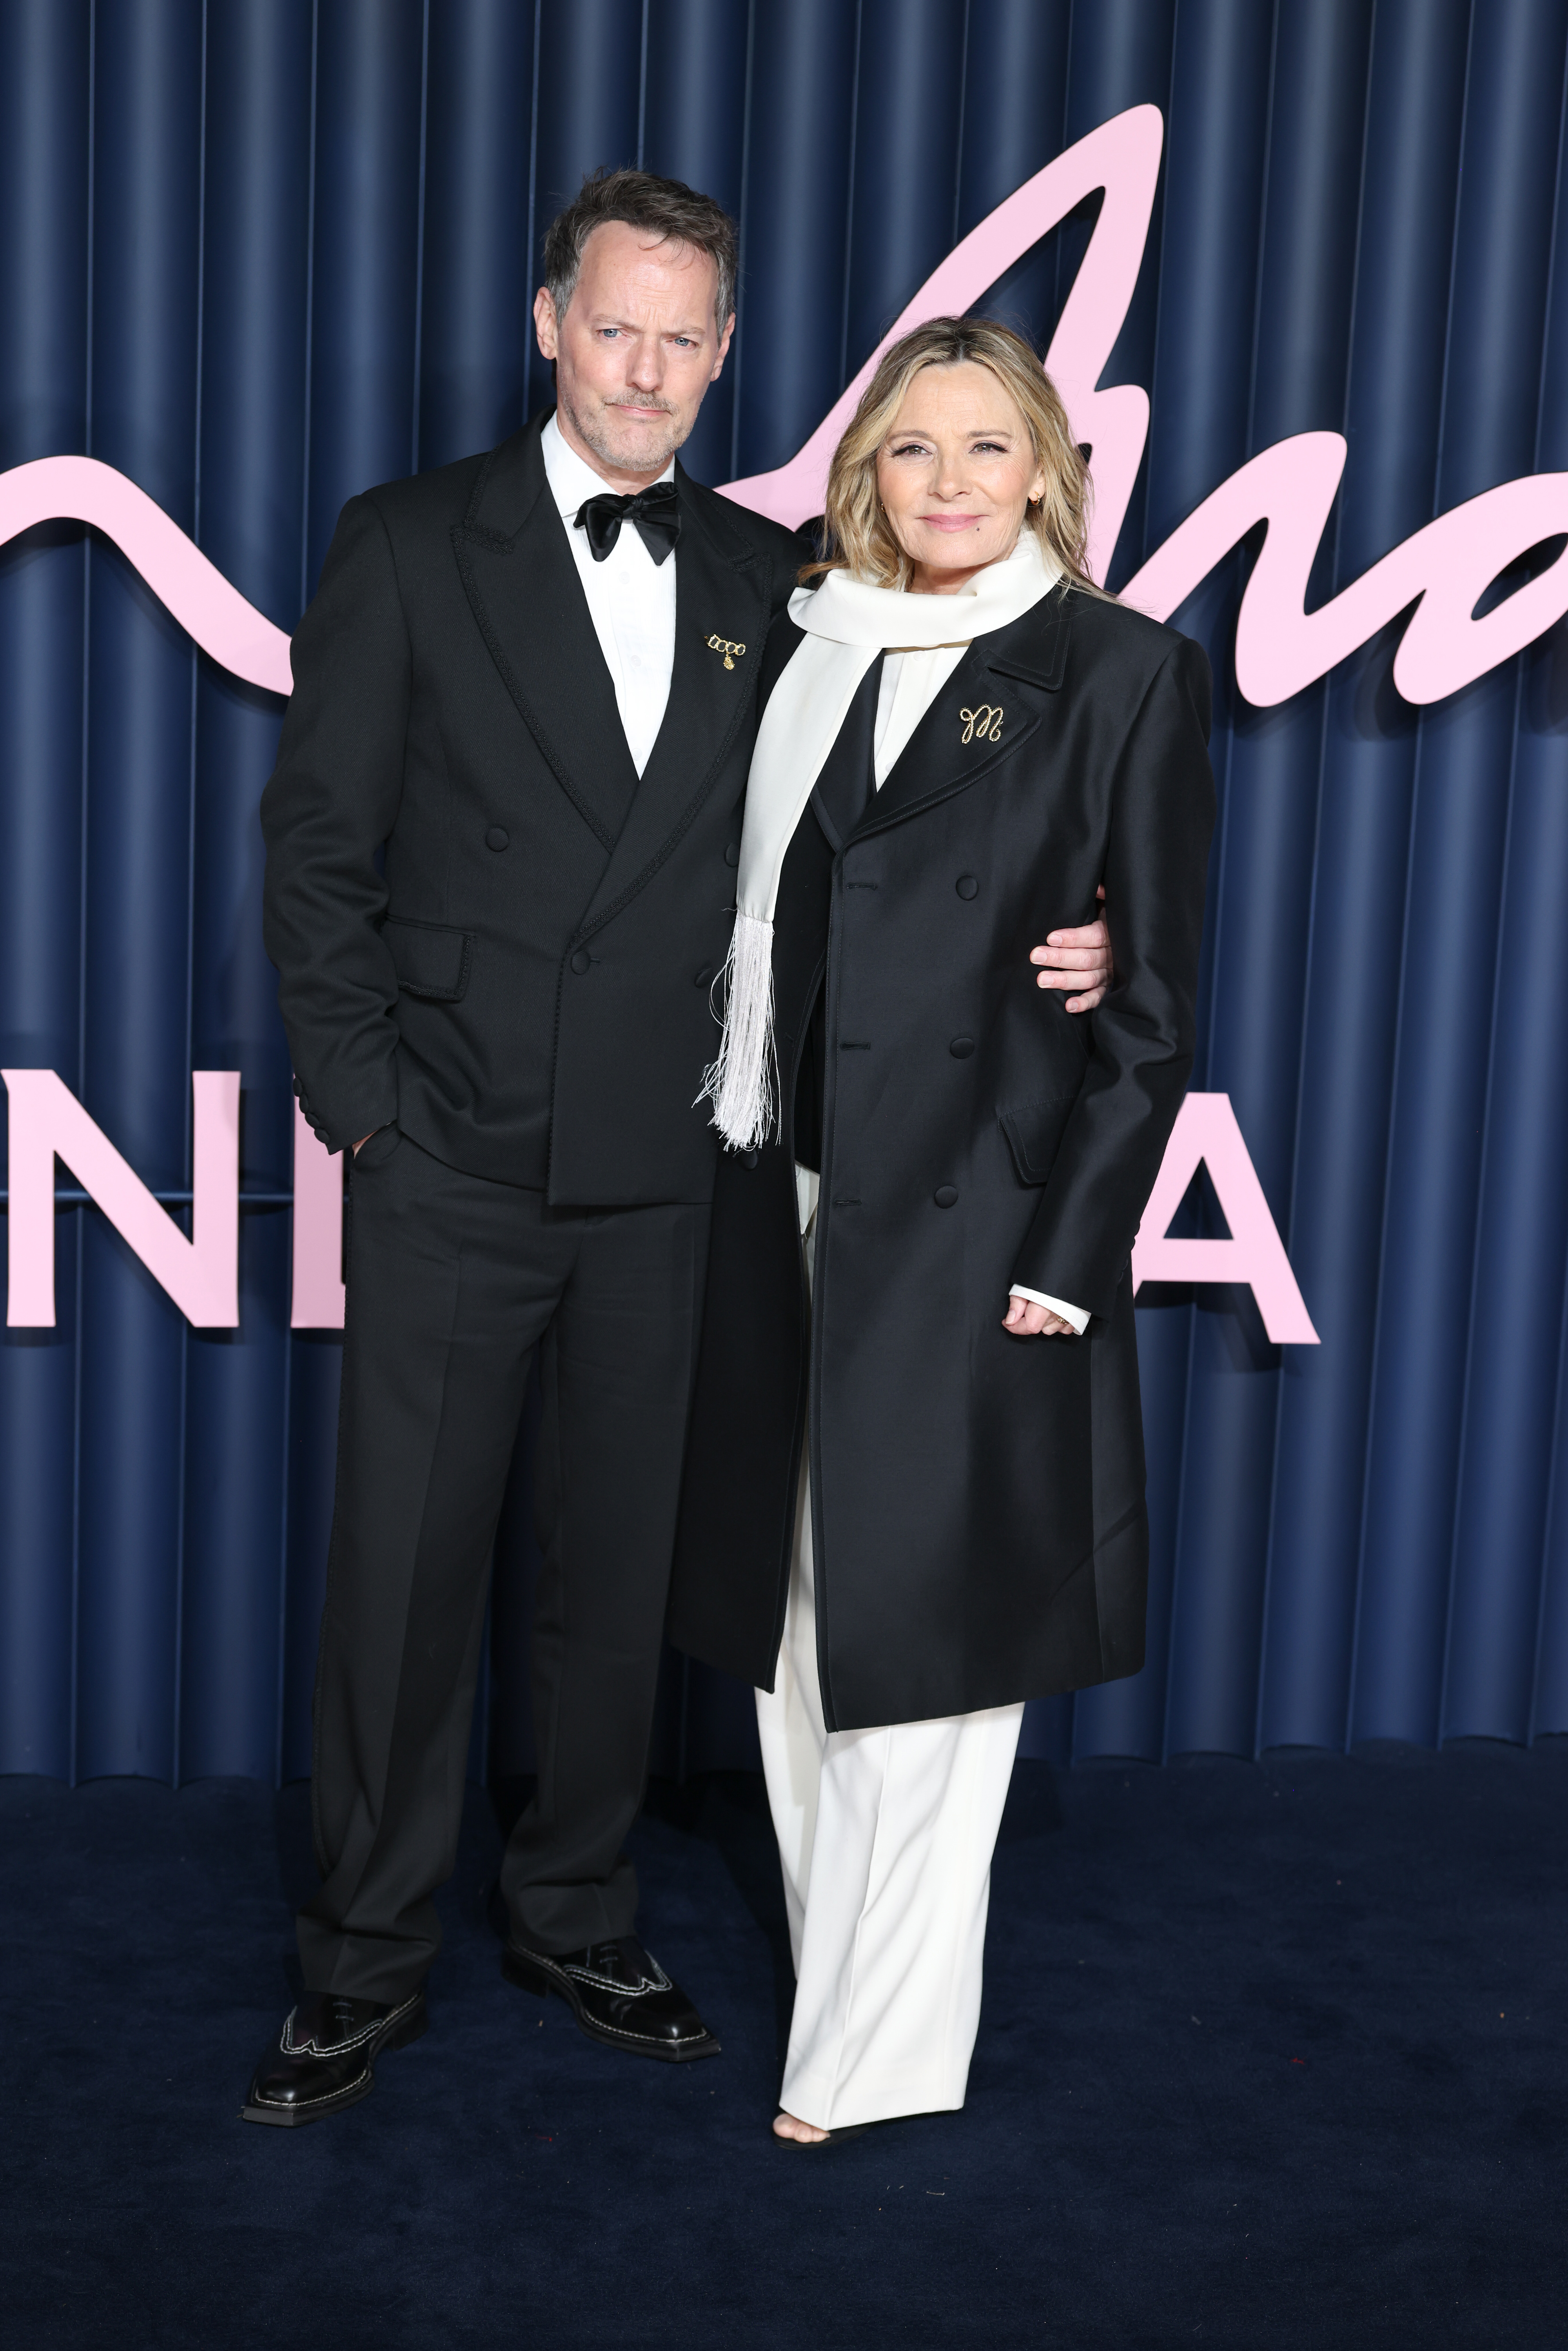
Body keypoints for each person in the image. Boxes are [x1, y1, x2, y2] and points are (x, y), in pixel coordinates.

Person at [247, 168, 1117, 2126]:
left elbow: (913, 815)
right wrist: (366, 1109)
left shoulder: (769, 582)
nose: (644, 368)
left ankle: (575, 1904)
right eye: (613, 325)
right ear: (548, 323)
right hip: (451, 1151)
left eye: (684, 337)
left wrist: (1096, 923)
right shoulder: (404, 546)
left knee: (617, 1571)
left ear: (726, 358)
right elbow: (316, 857)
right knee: (403, 1577)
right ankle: (365, 1957)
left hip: (675, 1167)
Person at [668, 318, 1215, 2145]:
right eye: (915, 451)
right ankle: (852, 1985)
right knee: (804, 1641)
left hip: (979, 1226)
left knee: (933, 1662)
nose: (953, 483)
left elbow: (1153, 1011)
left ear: (1048, 467)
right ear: (866, 476)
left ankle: (867, 2060)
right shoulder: (803, 653)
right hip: (788, 1195)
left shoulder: (1120, 670)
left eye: (989, 447)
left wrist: (1070, 1253)